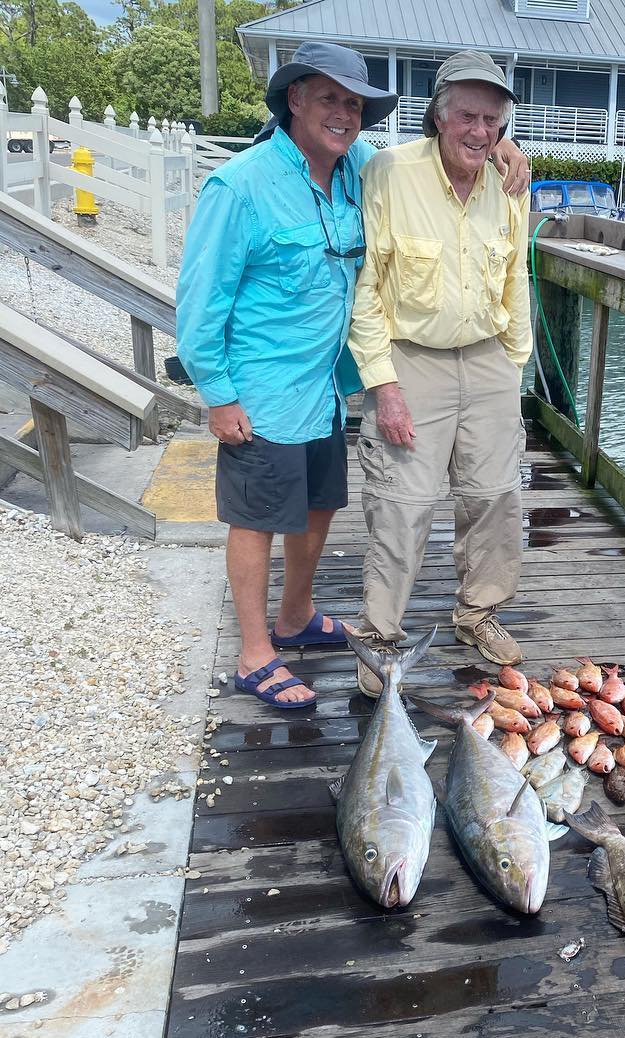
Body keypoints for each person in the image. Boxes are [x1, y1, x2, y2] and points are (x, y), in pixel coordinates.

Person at [177, 42, 530, 710]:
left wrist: (510, 149)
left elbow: (460, 152)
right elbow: (198, 305)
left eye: (354, 103)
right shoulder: (241, 185)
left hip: (323, 388)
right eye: (328, 98)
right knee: (254, 517)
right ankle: (257, 653)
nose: (343, 113)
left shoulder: (356, 167)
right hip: (259, 387)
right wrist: (218, 395)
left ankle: (297, 617)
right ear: (294, 101)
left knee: (318, 507)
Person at [348, 50, 532, 695]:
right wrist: (384, 384)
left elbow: (516, 278)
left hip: (489, 360)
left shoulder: (509, 182)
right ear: (438, 115)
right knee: (403, 504)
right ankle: (379, 637)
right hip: (411, 362)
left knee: (495, 496)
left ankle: (477, 610)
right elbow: (366, 287)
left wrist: (514, 363)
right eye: (466, 117)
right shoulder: (390, 172)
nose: (479, 132)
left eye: (492, 120)